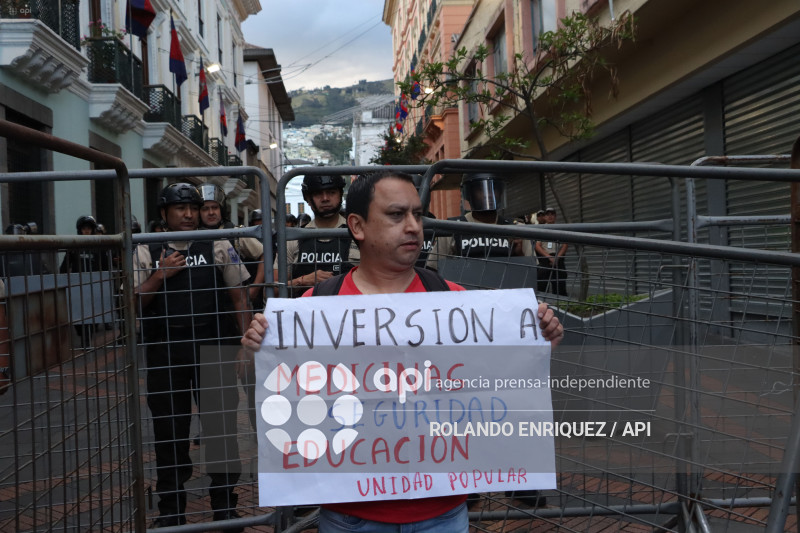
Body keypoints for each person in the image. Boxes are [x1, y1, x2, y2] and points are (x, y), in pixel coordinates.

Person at [242, 170, 564, 532]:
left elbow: (501, 384)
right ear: (357, 226)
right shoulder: (315, 308)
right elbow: (285, 393)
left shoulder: (455, 303)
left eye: (418, 214)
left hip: (442, 515)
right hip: (351, 516)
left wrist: (538, 346)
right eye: (397, 215)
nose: (413, 226)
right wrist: (259, 349)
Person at [134, 183, 252, 529]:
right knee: (170, 432)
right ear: (164, 215)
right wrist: (160, 274)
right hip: (166, 353)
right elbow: (133, 302)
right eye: (179, 209)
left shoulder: (218, 244)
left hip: (215, 348)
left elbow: (239, 298)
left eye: (193, 208)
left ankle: (225, 506)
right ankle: (171, 511)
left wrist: (244, 343)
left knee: (220, 429)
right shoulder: (147, 250)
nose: (187, 215)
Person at [426, 173, 532, 272]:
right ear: (469, 195)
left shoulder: (516, 229)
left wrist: (519, 255)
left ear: (500, 193)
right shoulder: (452, 228)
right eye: (481, 190)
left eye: (493, 189)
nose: (488, 195)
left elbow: (535, 274)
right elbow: (433, 270)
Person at [276, 174, 359, 296]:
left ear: (341, 195)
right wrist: (302, 281)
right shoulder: (293, 240)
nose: (325, 198)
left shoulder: (358, 235)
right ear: (308, 199)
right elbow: (271, 289)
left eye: (331, 192)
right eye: (318, 194)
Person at [535, 207, 568, 296]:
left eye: (552, 214)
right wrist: (548, 257)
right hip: (545, 258)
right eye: (548, 215)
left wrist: (557, 257)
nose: (550, 216)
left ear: (555, 216)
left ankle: (560, 304)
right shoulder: (542, 229)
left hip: (558, 259)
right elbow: (537, 246)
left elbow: (565, 245)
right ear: (545, 217)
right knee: (541, 284)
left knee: (560, 284)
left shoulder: (560, 229)